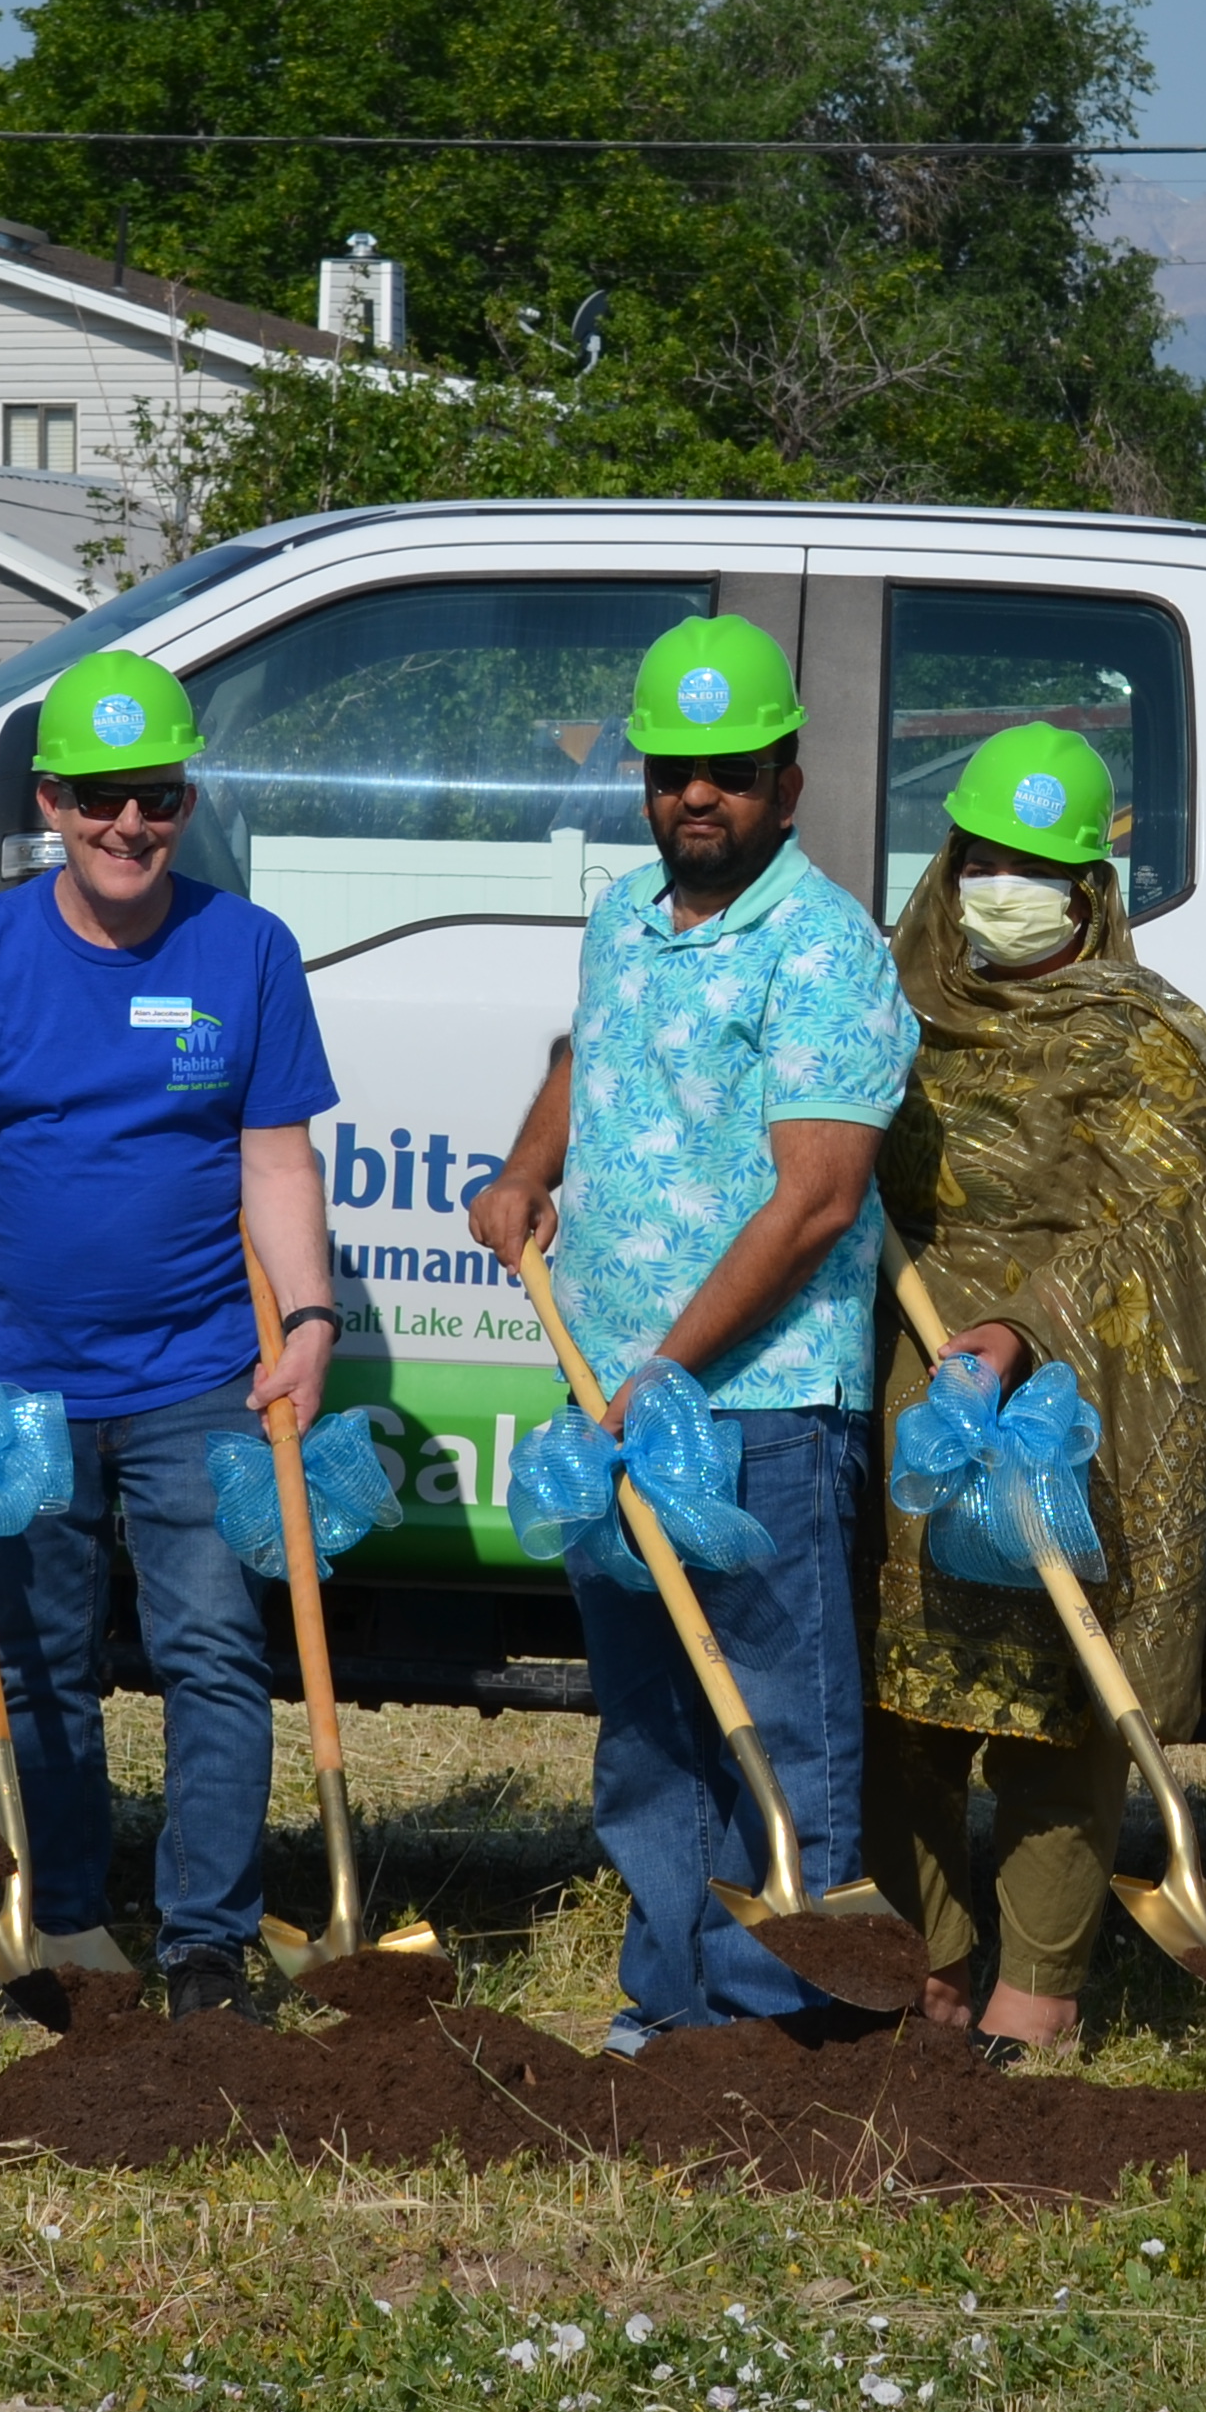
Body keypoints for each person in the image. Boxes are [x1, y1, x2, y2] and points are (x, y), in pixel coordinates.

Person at [0, 649, 342, 2019]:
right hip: (29, 1391)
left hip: (200, 1378)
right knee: (44, 1665)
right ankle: (63, 1928)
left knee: (214, 1656)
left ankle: (209, 1946)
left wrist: (313, 1316)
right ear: (49, 799)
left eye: (156, 800)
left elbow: (274, 1160)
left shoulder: (246, 950)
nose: (128, 827)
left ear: (185, 799)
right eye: (99, 799)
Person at [465, 614, 918, 2049]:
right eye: (673, 771)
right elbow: (583, 1054)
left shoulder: (827, 950)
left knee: (777, 1716)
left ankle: (777, 2021)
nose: (695, 796)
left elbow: (818, 1199)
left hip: (759, 1403)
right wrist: (529, 1168)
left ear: (787, 782)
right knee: (652, 1723)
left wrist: (675, 1367)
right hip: (611, 1398)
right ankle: (664, 2001)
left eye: (728, 772)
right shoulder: (623, 921)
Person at [862, 725, 1206, 2058]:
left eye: (1040, 866)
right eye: (985, 856)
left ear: (1092, 890)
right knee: (904, 1693)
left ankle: (1036, 1990)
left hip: (1074, 1411)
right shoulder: (881, 1006)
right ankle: (929, 1959)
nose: (1004, 886)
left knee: (1056, 1697)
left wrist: (1023, 1324)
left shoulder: (1148, 1043)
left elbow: (1169, 1240)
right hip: (912, 1387)